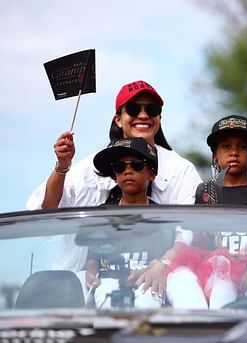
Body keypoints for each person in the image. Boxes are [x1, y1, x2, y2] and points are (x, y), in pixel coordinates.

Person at [26, 80, 202, 271]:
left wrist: (161, 266)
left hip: (160, 285)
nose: (143, 115)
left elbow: (191, 232)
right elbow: (45, 217)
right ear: (118, 119)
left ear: (159, 117)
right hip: (85, 287)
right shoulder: (89, 169)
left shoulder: (181, 170)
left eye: (151, 110)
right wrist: (62, 166)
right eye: (134, 109)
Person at [165, 114, 247, 309]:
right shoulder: (204, 194)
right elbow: (196, 241)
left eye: (242, 146)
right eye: (226, 146)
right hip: (212, 276)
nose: (234, 153)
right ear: (215, 154)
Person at [85, 137, 170, 308]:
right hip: (109, 280)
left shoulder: (162, 216)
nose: (128, 171)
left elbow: (166, 258)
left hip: (148, 280)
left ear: (152, 173)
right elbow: (93, 255)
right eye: (120, 167)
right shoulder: (102, 214)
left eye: (137, 165)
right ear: (115, 176)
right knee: (108, 307)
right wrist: (90, 272)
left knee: (147, 307)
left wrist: (154, 270)